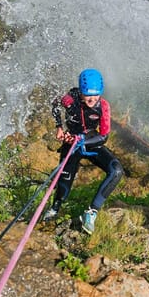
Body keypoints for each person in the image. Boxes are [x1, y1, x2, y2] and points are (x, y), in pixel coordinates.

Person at [44, 68, 124, 234]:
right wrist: (59, 127)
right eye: (88, 95)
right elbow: (55, 103)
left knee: (116, 170)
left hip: (90, 144)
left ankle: (91, 212)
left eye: (96, 95)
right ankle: (54, 209)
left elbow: (103, 136)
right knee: (64, 187)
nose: (92, 99)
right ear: (81, 91)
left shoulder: (103, 106)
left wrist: (82, 139)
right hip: (71, 146)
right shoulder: (70, 99)